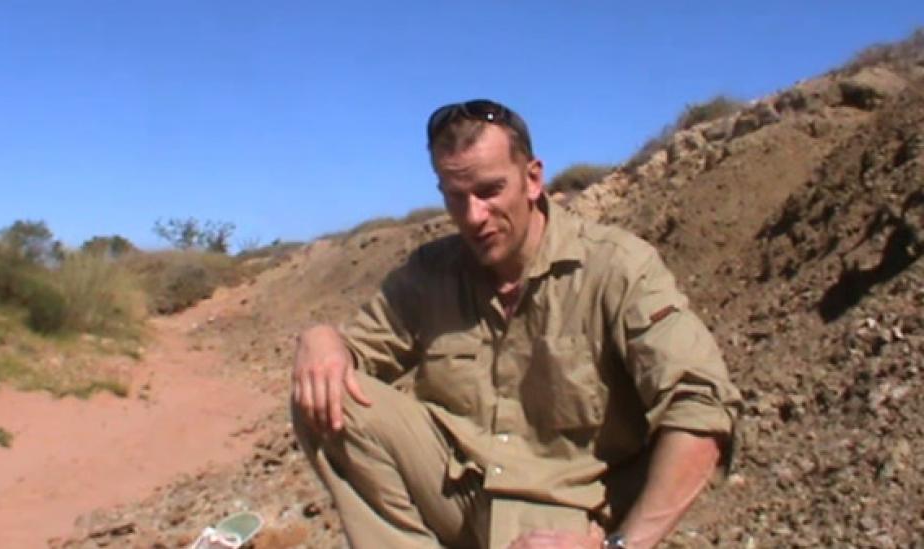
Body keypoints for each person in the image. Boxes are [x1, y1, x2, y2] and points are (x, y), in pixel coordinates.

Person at [291, 99, 742, 549]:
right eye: (454, 196)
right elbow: (357, 351)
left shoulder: (618, 267)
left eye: (488, 191)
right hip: (456, 492)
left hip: (563, 516)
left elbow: (702, 405)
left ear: (532, 179)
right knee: (326, 393)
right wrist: (321, 338)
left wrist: (618, 546)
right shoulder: (431, 273)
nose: (472, 217)